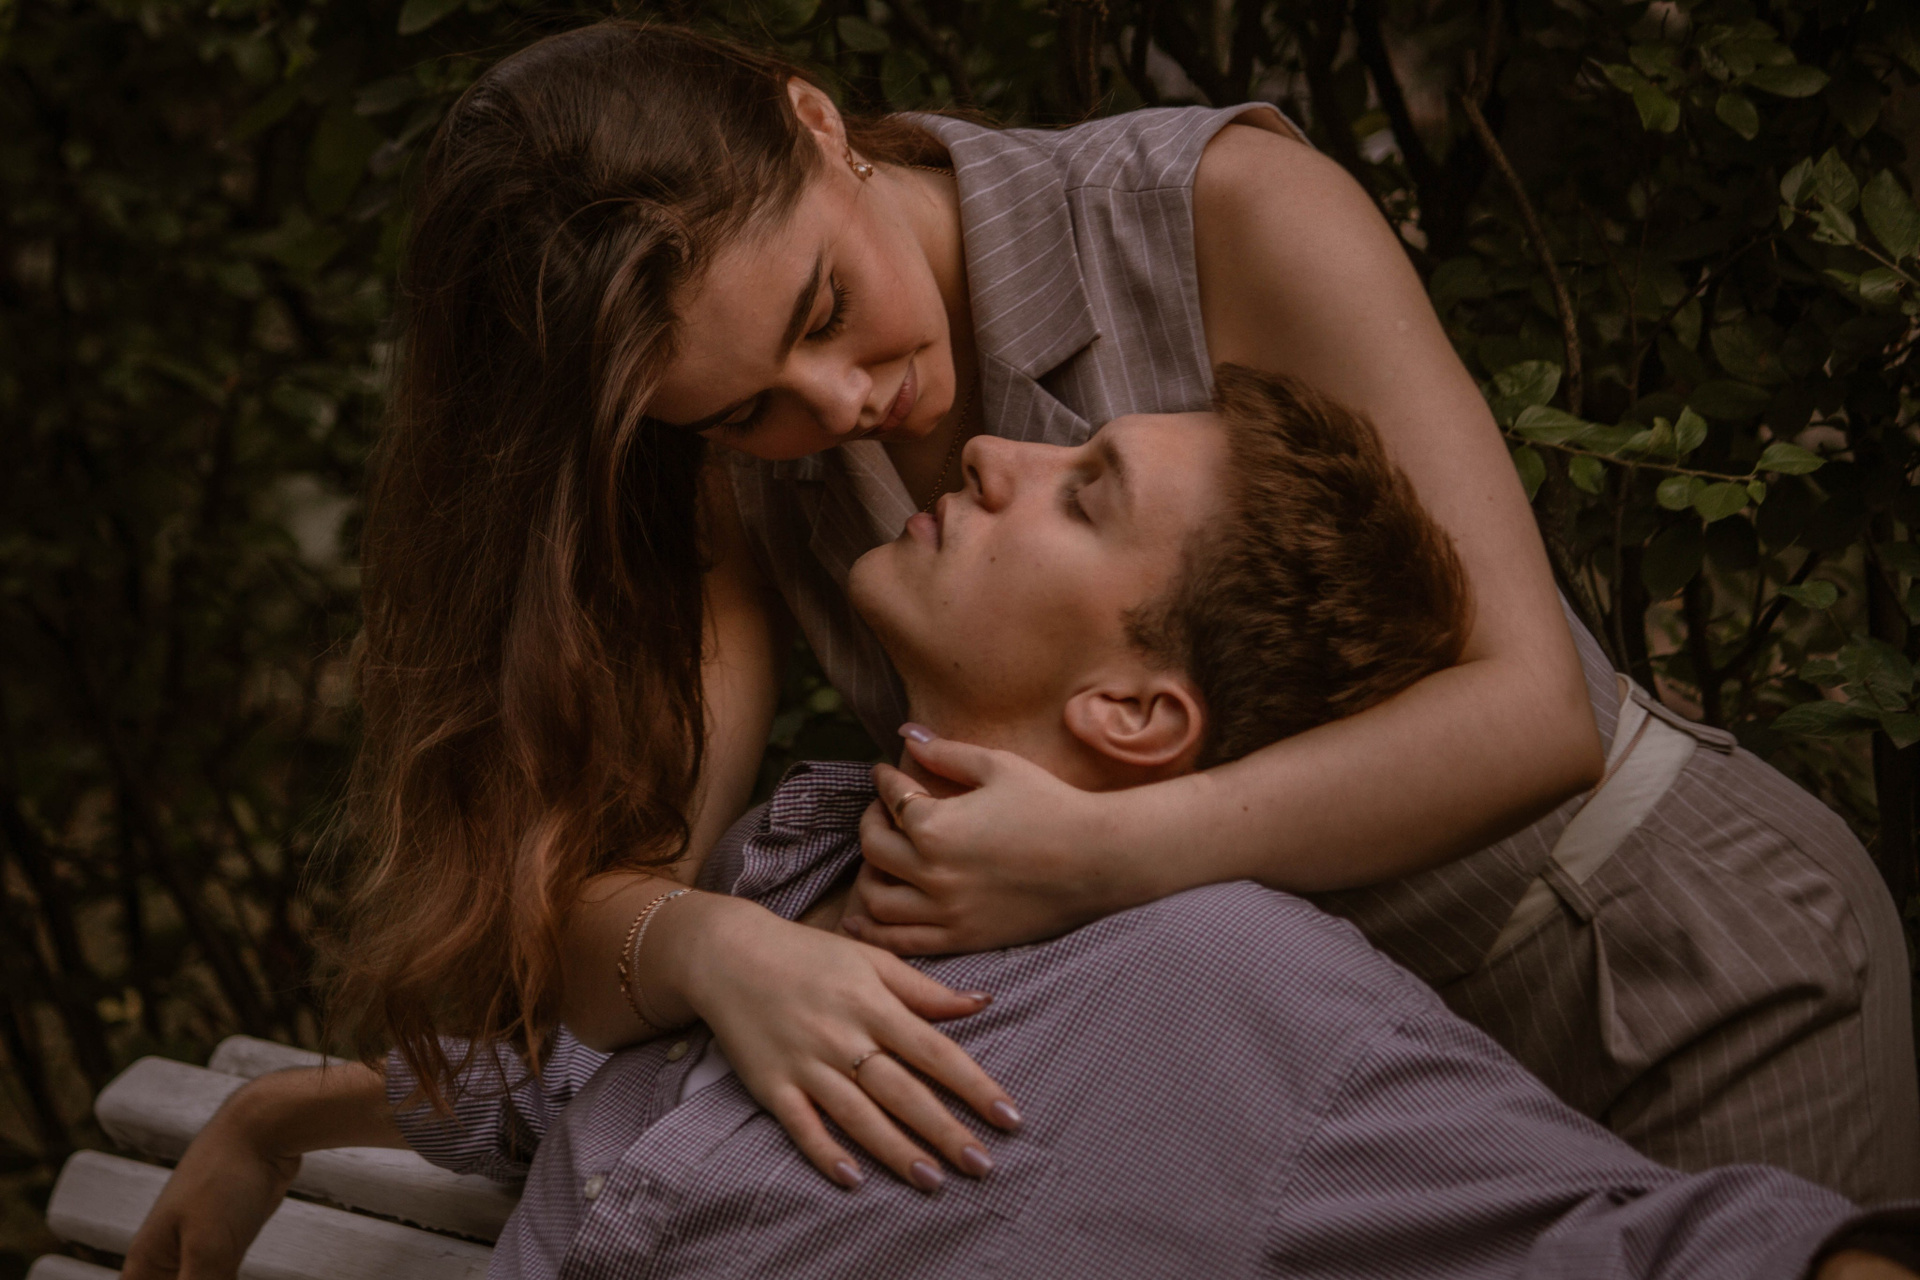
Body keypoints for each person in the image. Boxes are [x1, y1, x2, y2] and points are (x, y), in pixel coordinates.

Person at [335, 18, 1916, 1206]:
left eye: (827, 308)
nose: (836, 407)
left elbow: (1531, 716)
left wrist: (1099, 853)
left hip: (1664, 960)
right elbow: (604, 909)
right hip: (1336, 1085)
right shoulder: (732, 455)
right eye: (748, 406)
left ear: (817, 124)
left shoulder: (1223, 207)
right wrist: (714, 951)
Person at [130, 375, 1919, 1280]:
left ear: (1136, 715)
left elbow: (1671, 1249)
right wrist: (280, 1115)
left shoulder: (1229, 992)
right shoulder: (801, 863)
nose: (993, 456)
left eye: (1085, 493)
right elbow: (553, 1092)